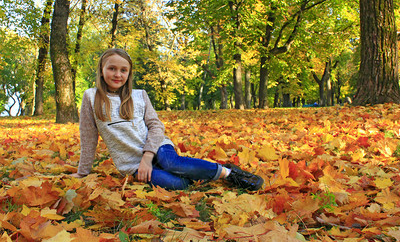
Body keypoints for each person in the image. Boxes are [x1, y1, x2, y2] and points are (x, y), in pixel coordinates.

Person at [70, 48, 263, 191]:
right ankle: (197, 173)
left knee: (171, 163)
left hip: (158, 147)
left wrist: (148, 156)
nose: (117, 74)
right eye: (112, 68)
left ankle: (229, 173)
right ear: (101, 70)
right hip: (132, 163)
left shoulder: (139, 95)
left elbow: (156, 126)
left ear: (129, 73)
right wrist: (82, 172)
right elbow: (88, 138)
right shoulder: (90, 97)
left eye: (123, 70)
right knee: (178, 184)